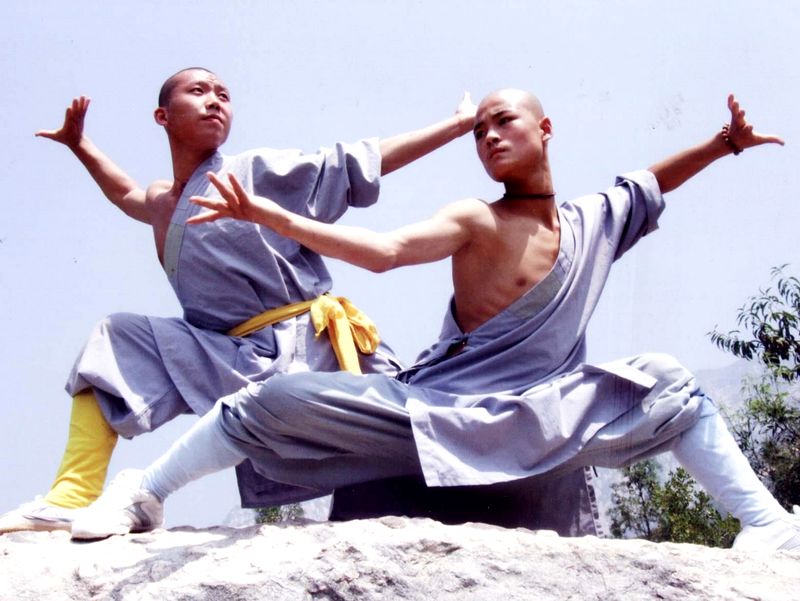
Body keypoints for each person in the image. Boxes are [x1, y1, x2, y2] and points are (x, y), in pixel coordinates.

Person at [71, 89, 799, 552]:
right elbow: (384, 252)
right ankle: (145, 492)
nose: (489, 138)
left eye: (503, 122)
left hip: (544, 415)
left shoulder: (595, 221)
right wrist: (270, 215)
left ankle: (767, 522)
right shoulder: (472, 218)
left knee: (668, 381)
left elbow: (650, 181)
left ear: (545, 128)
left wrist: (724, 144)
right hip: (435, 412)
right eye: (479, 130)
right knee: (274, 400)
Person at [0, 67, 480, 534]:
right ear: (162, 116)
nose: (215, 100)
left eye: (224, 95)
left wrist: (457, 126)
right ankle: (70, 497)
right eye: (198, 91)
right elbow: (125, 193)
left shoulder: (252, 171)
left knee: (389, 461)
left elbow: (354, 162)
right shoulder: (163, 202)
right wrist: (80, 145)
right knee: (117, 338)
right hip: (227, 352)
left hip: (305, 347)